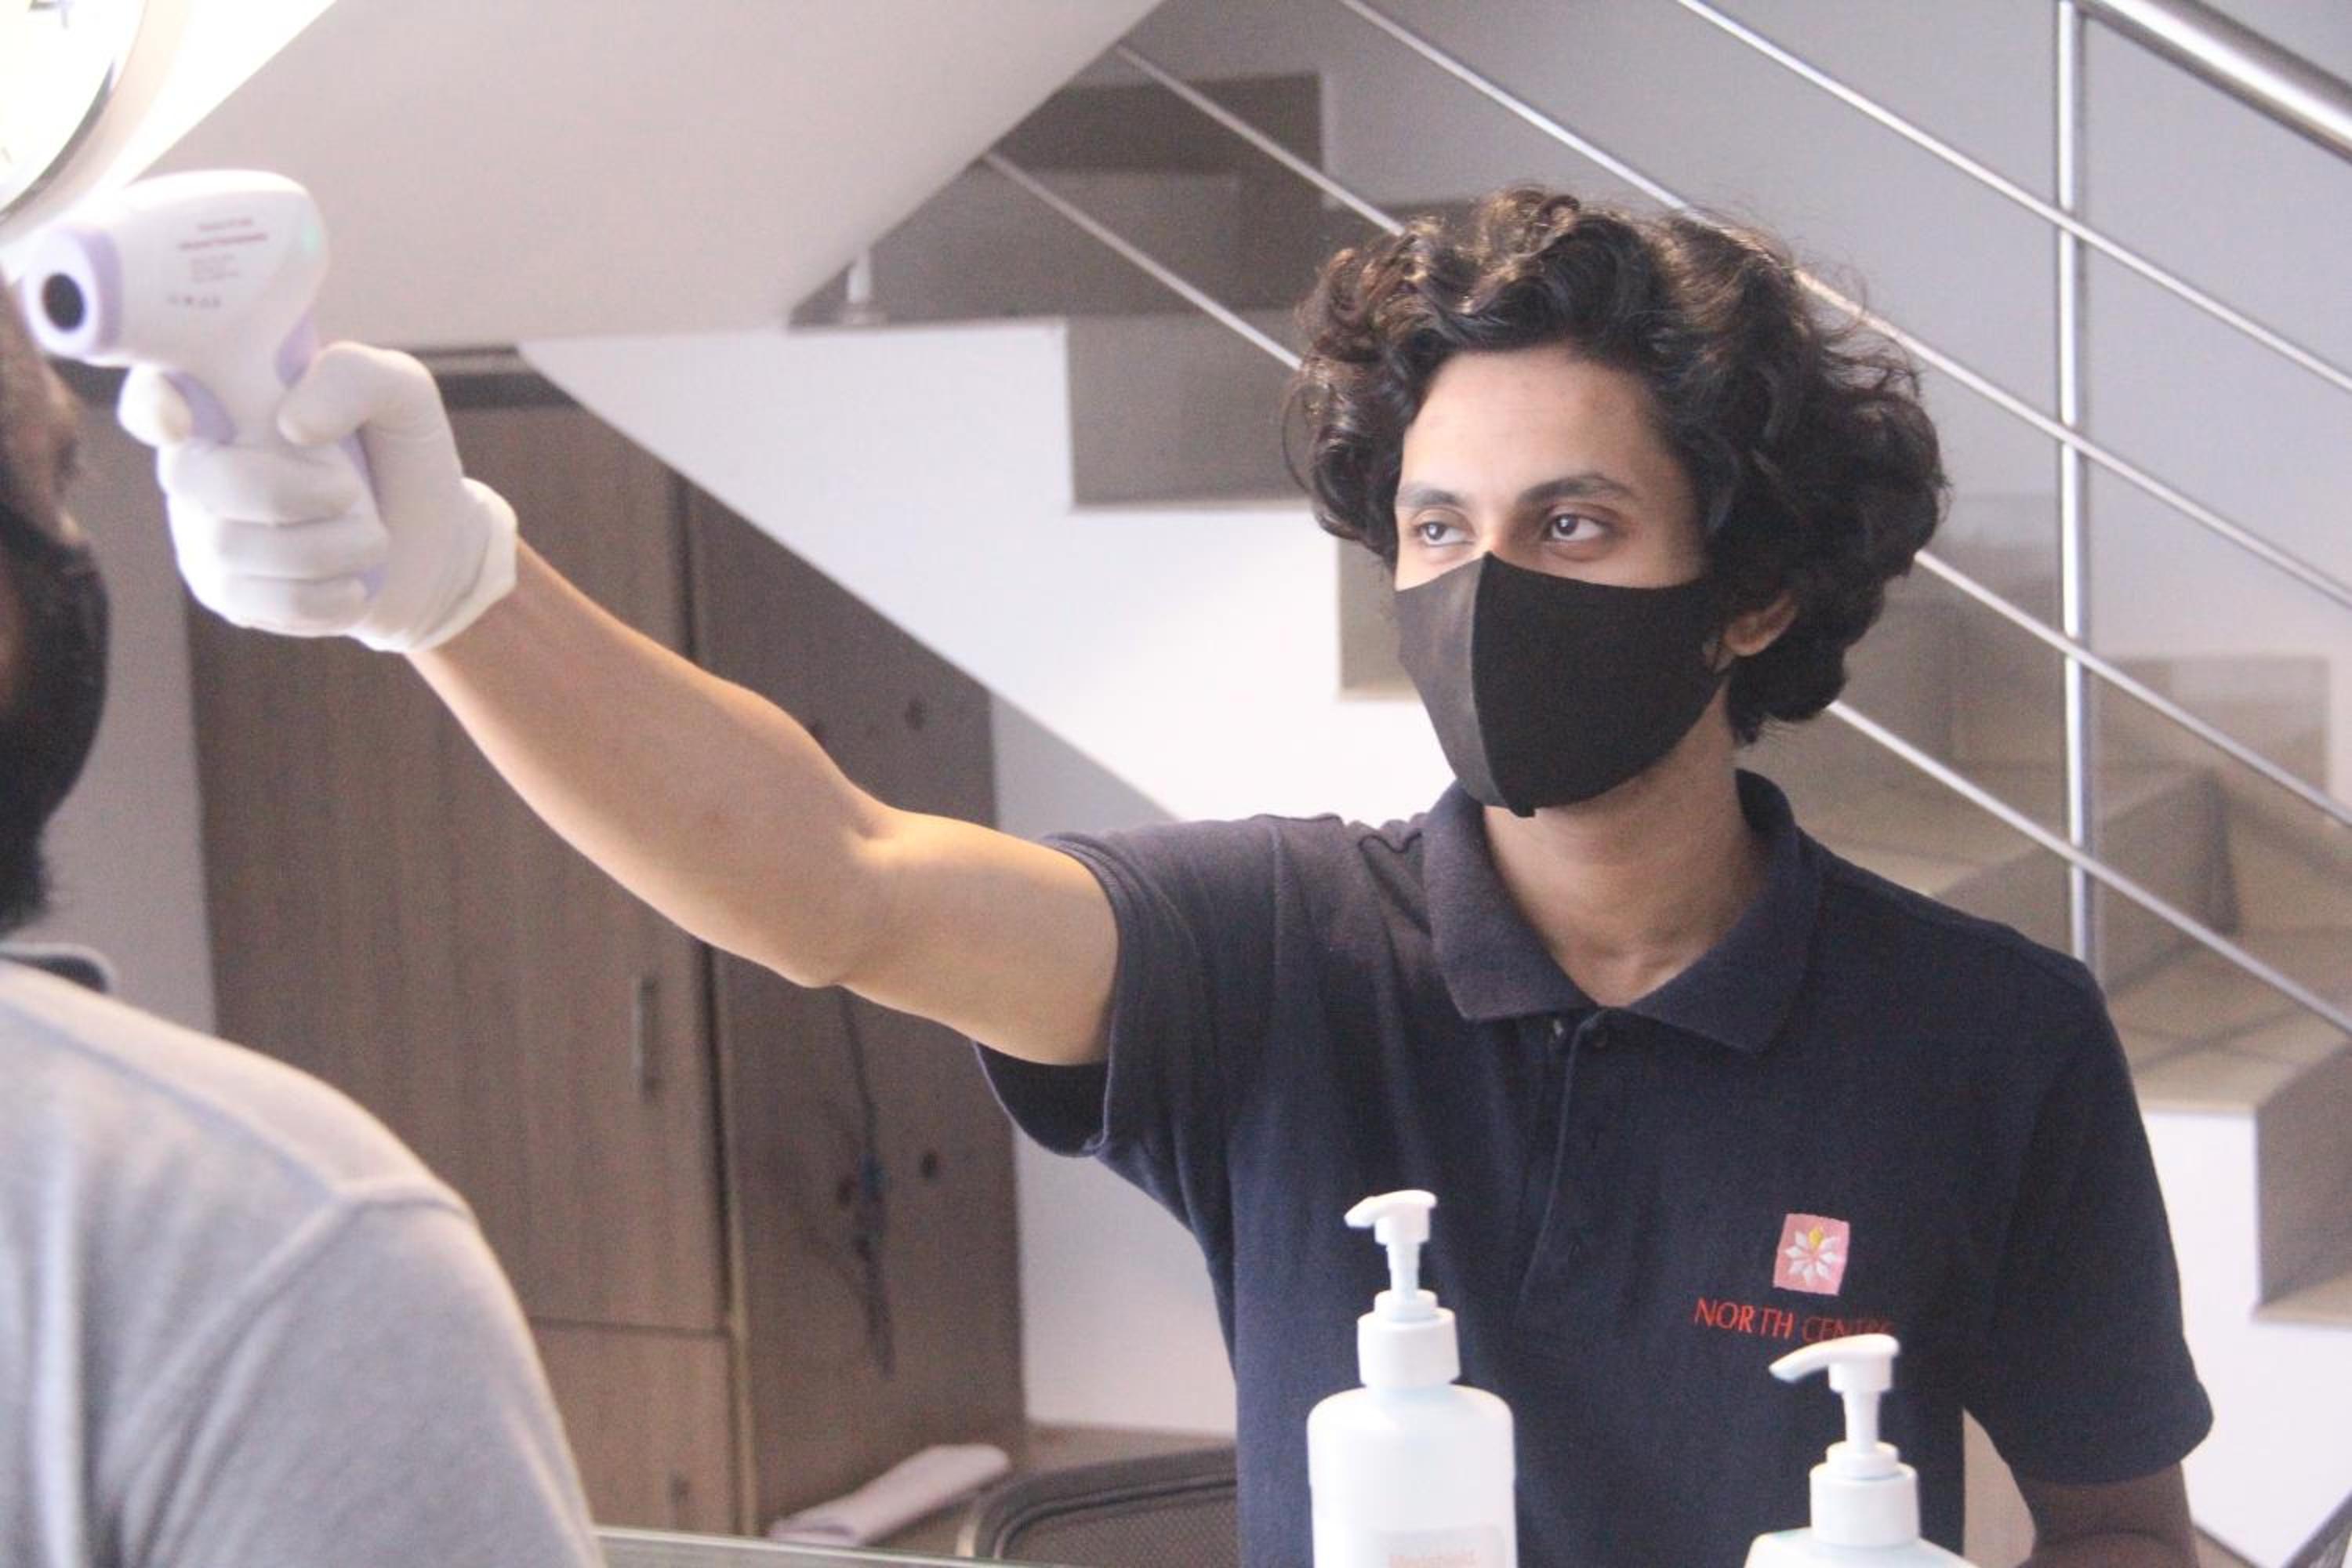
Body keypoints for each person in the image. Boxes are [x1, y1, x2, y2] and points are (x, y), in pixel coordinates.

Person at [114, 187, 2211, 1566]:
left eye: (1572, 526)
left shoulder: (1986, 1039)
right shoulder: (1275, 955)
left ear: (1747, 592)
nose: (1484, 587)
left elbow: (2122, 1526)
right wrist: (454, 590)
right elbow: (838, 877)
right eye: (1439, 529)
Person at [0, 294, 600, 1566]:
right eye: (59, 486)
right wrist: (457, 589)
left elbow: (856, 885)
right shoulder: (251, 1243)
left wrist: (465, 592)